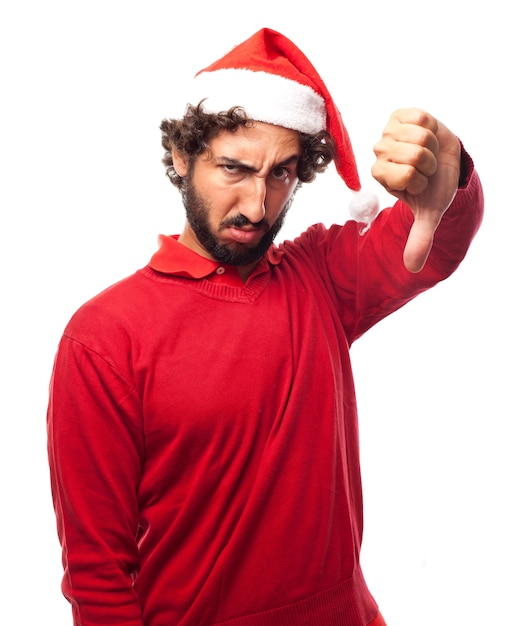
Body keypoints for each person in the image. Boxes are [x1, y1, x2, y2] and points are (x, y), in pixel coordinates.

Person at [46, 28, 484, 626]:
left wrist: (448, 186)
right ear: (182, 157)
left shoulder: (321, 277)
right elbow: (98, 576)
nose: (258, 204)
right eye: (234, 167)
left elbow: (429, 247)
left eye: (281, 173)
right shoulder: (103, 338)